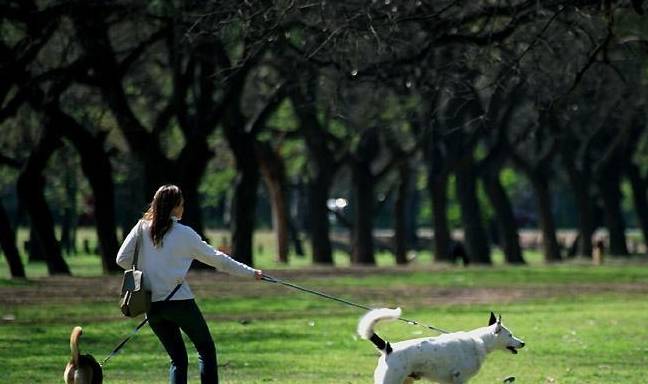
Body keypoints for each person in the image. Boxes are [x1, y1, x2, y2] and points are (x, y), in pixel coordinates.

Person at [116, 184, 263, 384]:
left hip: (152, 305)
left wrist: (147, 270)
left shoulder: (141, 228)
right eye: (182, 204)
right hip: (180, 303)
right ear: (174, 207)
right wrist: (251, 273)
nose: (183, 209)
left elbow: (121, 259)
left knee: (177, 360)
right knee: (206, 350)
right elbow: (219, 260)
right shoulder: (184, 234)